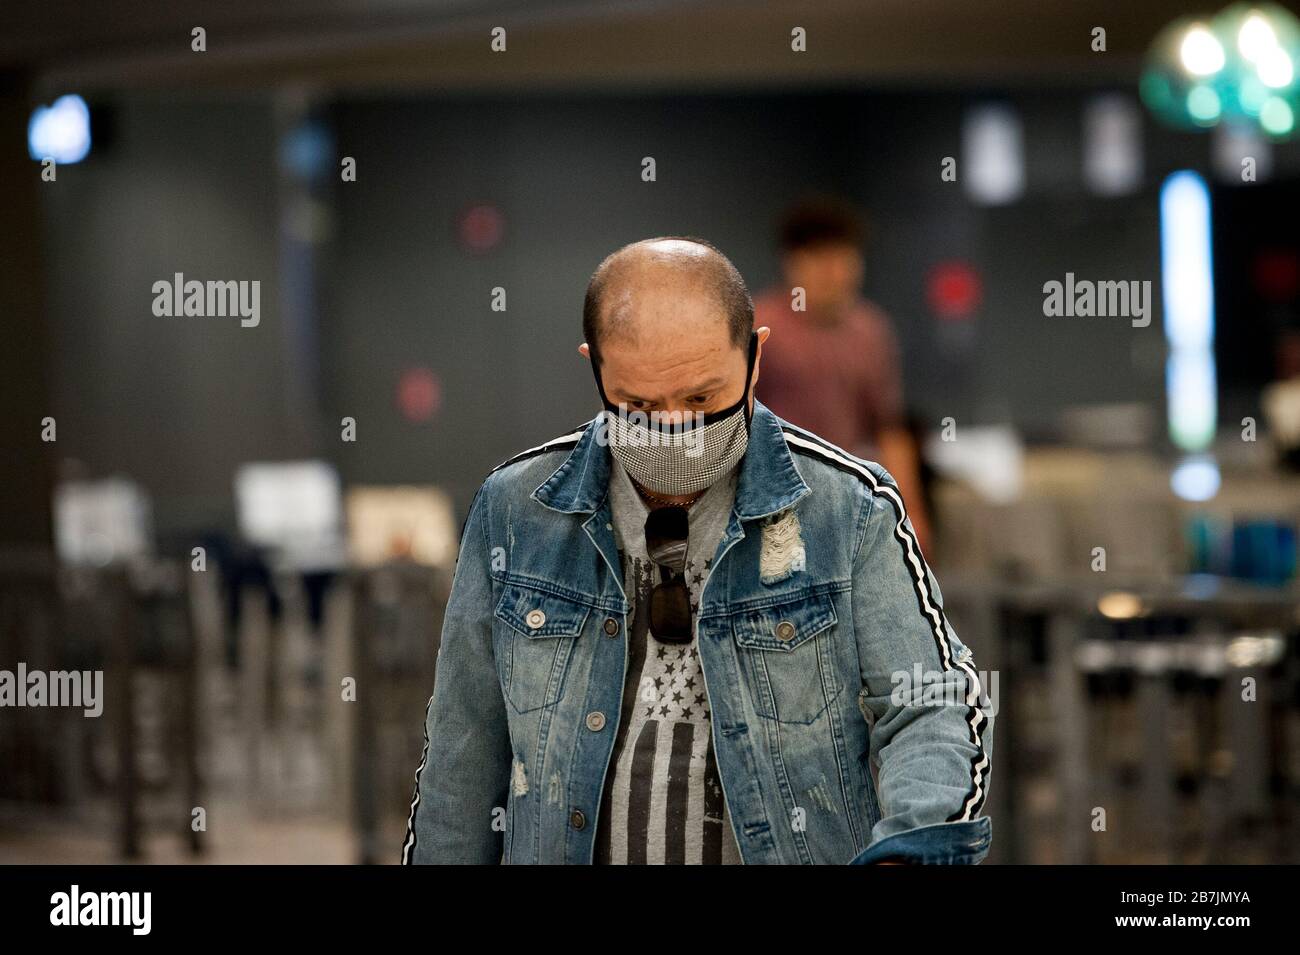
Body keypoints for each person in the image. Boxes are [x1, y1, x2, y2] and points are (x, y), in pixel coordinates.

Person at [402, 237, 992, 864]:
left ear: (756, 360)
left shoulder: (846, 511)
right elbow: (463, 756)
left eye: (701, 399)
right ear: (594, 368)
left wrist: (916, 844)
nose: (677, 431)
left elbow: (930, 705)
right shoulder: (518, 512)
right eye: (640, 405)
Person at [754, 197, 934, 556]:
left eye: (846, 259)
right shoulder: (760, 326)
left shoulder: (871, 330)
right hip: (776, 504)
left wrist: (911, 511)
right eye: (823, 261)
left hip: (851, 500)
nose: (837, 273)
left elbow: (889, 427)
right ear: (794, 263)